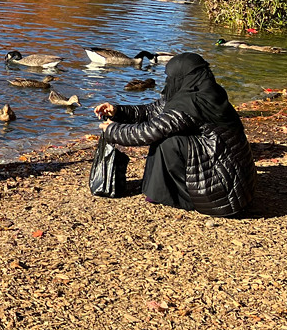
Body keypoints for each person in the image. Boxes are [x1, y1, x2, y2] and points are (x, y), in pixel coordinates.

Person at [93, 52, 256, 217]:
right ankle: (163, 190)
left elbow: (147, 132)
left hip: (222, 194)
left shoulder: (191, 102)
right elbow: (152, 111)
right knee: (169, 134)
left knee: (167, 141)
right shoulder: (205, 90)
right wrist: (118, 111)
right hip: (238, 185)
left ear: (181, 76)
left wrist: (112, 130)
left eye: (171, 77)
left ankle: (172, 196)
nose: (168, 81)